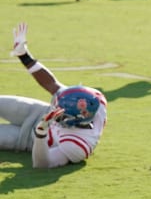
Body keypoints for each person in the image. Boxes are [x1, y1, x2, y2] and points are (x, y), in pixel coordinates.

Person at [1, 23, 107, 168]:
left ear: (73, 120)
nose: (57, 110)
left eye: (61, 113)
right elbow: (52, 84)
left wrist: (40, 134)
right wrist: (24, 56)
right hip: (38, 113)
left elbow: (41, 164)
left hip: (29, 139)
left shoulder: (77, 146)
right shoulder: (93, 99)